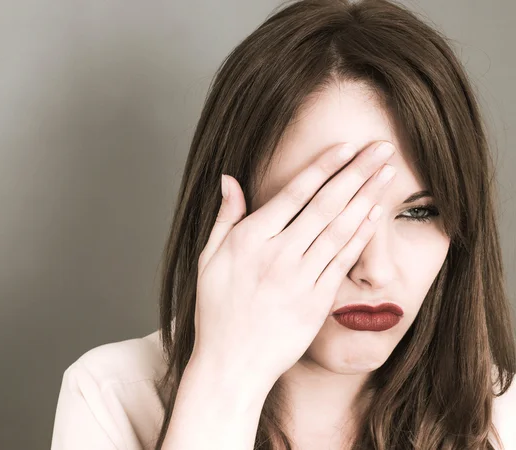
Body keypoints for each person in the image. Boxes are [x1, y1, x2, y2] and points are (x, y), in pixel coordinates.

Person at [49, 0, 516, 449]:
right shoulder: (111, 395)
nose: (376, 269)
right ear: (231, 210)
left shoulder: (506, 414)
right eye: (325, 208)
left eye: (418, 212)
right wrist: (225, 379)